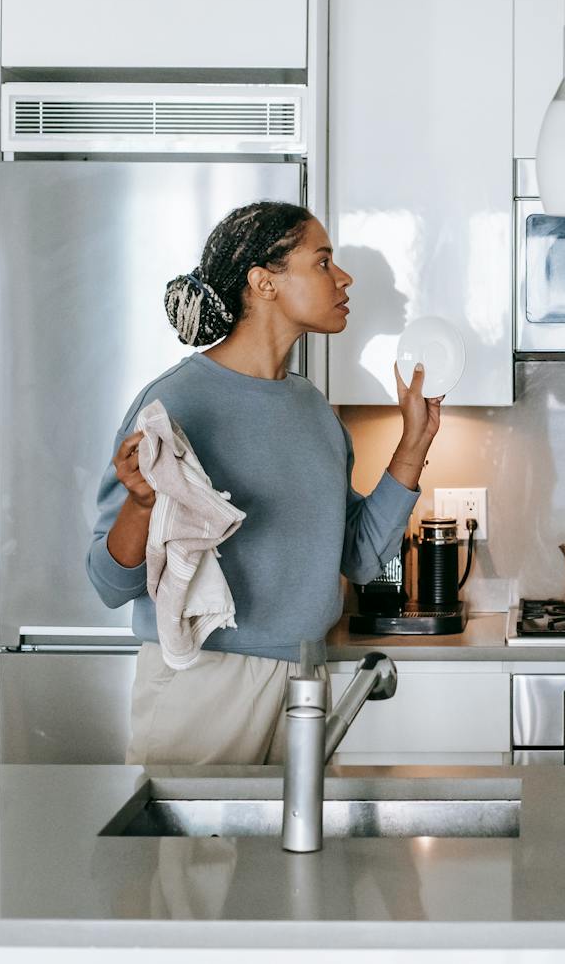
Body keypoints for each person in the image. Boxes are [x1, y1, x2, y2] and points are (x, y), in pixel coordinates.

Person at [85, 201, 441, 765]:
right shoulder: (175, 404)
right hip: (201, 682)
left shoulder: (313, 409)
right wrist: (140, 504)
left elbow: (362, 558)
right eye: (323, 263)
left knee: (293, 854)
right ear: (264, 282)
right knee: (189, 856)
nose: (343, 278)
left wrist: (413, 443)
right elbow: (109, 584)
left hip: (303, 677)